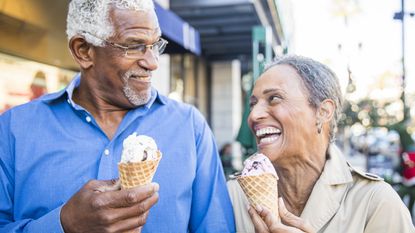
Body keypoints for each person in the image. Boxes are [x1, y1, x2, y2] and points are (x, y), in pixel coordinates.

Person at [0, 0, 235, 232]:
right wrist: (63, 224)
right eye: (134, 46)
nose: (153, 63)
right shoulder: (12, 130)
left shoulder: (189, 127)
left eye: (155, 45)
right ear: (84, 51)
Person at [227, 55, 415, 233]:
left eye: (274, 98)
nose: (253, 115)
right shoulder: (232, 196)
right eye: (252, 104)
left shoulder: (374, 202)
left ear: (323, 111)